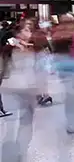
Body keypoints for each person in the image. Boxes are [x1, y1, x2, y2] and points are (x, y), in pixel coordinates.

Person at [0, 19, 39, 162]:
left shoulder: (32, 47)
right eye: (26, 30)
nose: (29, 33)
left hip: (28, 90)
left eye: (31, 30)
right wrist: (11, 44)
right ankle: (8, 158)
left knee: (27, 126)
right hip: (11, 89)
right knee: (11, 126)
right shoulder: (9, 46)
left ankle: (21, 154)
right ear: (18, 32)